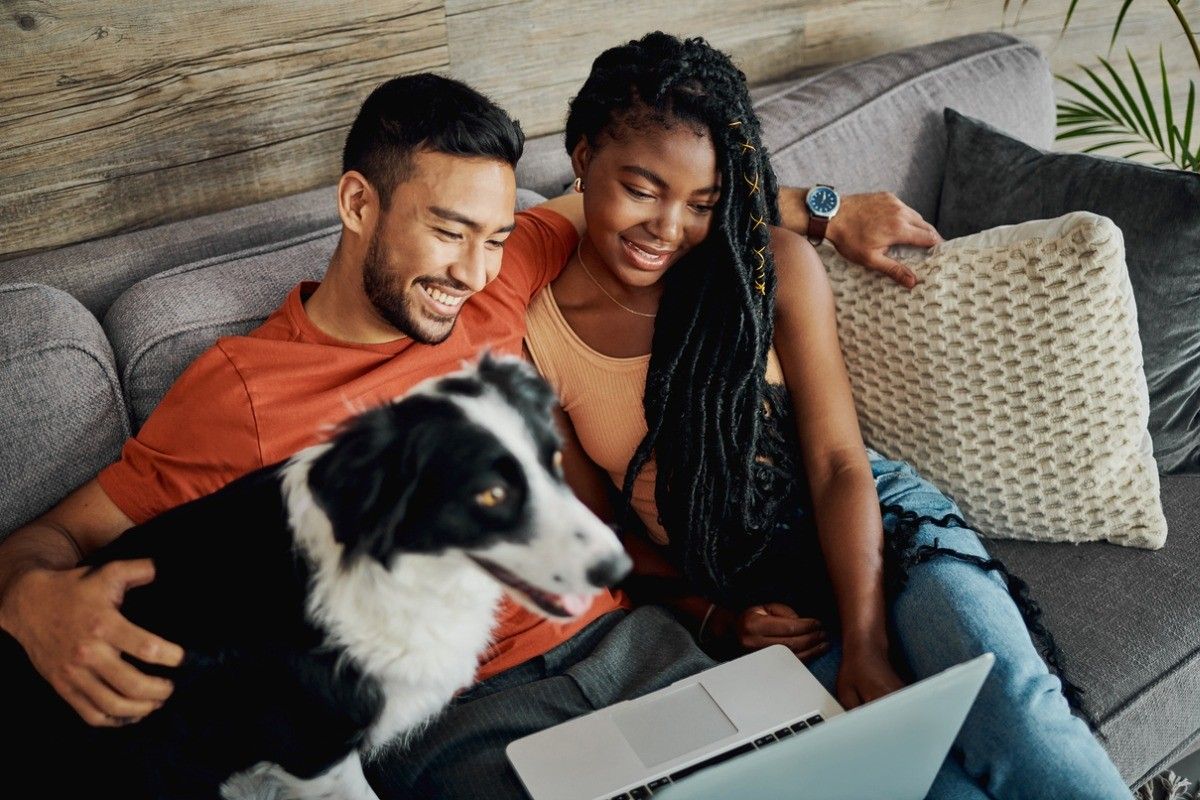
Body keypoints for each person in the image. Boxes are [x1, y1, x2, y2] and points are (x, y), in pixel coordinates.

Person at [0, 71, 937, 793]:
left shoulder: (494, 278)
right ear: (359, 205)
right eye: (450, 232)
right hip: (459, 716)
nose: (475, 270)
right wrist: (33, 601)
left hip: (631, 647)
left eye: (495, 236)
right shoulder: (239, 391)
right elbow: (57, 534)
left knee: (833, 776)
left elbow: (664, 214)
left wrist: (824, 211)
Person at [517, 32, 1130, 800]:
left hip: (881, 533)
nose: (667, 228)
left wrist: (868, 638)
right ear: (582, 158)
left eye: (703, 204)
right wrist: (716, 617)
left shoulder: (767, 264)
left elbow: (840, 464)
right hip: (755, 598)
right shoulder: (537, 331)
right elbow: (603, 537)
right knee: (935, 788)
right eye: (640, 189)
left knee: (1017, 717)